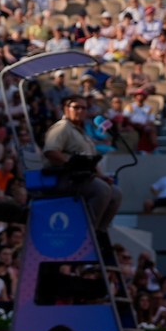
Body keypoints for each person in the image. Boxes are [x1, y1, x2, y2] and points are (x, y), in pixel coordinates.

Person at [42, 95, 123, 231]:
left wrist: (102, 176)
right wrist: (71, 162)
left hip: (82, 176)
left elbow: (90, 160)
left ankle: (100, 231)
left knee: (116, 192)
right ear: (66, 109)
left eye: (84, 108)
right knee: (101, 190)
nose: (80, 111)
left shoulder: (82, 132)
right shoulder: (62, 128)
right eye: (76, 107)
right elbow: (51, 152)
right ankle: (85, 231)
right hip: (64, 178)